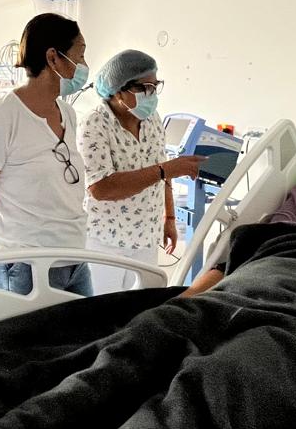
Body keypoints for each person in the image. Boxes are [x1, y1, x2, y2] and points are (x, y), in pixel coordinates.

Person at [0, 13, 93, 296]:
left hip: (76, 262)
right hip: (24, 269)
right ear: (53, 58)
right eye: (80, 54)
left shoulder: (67, 113)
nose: (84, 66)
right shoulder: (1, 117)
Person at [77, 49, 204, 292]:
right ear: (117, 89)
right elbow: (101, 188)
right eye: (144, 87)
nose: (152, 95)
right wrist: (165, 169)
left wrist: (169, 218)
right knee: (103, 310)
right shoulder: (95, 123)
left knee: (139, 310)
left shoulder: (153, 119)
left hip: (146, 236)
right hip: (105, 241)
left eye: (155, 86)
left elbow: (163, 173)